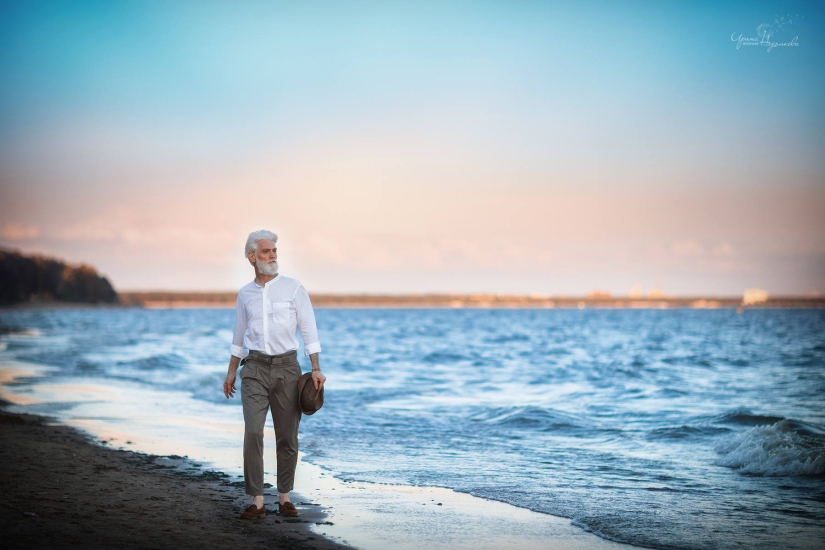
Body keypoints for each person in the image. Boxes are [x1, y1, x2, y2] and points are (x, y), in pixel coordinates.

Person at [223, 229, 326, 519]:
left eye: (275, 251)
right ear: (252, 257)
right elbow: (238, 336)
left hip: (287, 369)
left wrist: (316, 368)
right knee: (253, 432)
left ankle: (284, 497)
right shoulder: (245, 294)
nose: (272, 256)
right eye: (266, 251)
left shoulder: (294, 288)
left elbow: (309, 331)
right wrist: (231, 372)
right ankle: (257, 501)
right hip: (254, 368)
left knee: (287, 436)